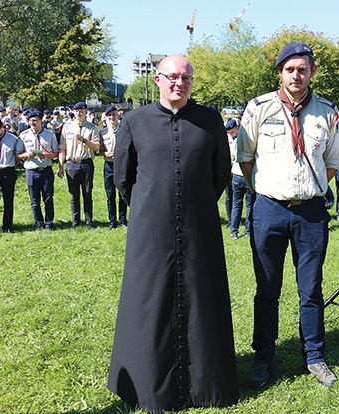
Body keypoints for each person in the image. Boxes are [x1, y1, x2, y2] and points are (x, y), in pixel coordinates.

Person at [108, 55, 238, 412]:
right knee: (149, 300)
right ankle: (150, 385)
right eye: (171, 77)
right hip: (151, 229)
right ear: (157, 80)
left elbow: (220, 175)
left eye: (186, 78)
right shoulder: (134, 121)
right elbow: (123, 178)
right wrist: (151, 205)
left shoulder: (209, 120)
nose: (178, 83)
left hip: (199, 226)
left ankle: (206, 385)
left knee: (202, 298)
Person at [237, 41, 339, 389]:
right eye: (290, 69)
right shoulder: (259, 108)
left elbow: (331, 162)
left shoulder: (328, 112)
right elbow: (245, 156)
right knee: (266, 289)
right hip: (269, 208)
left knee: (310, 289)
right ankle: (263, 358)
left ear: (312, 72)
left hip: (310, 213)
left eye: (303, 69)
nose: (296, 75)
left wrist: (304, 194)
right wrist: (266, 190)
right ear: (280, 72)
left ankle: (315, 357)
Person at [57, 101, 100, 229]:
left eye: (81, 111)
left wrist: (84, 140)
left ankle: (89, 221)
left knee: (87, 193)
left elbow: (97, 147)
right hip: (72, 164)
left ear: (86, 112)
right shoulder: (67, 127)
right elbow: (62, 148)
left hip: (86, 163)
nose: (78, 113)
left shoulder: (92, 128)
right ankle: (75, 222)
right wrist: (60, 166)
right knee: (73, 194)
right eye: (76, 111)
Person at [18, 111, 60, 230]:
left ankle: (49, 222)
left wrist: (46, 155)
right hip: (31, 170)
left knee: (48, 197)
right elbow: (18, 155)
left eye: (35, 120)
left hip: (46, 170)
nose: (33, 122)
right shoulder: (23, 135)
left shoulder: (49, 134)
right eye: (30, 120)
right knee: (34, 199)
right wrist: (27, 154)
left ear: (41, 120)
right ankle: (39, 223)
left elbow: (56, 153)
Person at [99, 105, 128, 229]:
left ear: (118, 116)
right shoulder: (103, 132)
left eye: (114, 115)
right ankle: (112, 221)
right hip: (109, 165)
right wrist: (105, 153)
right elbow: (100, 149)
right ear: (106, 117)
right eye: (109, 115)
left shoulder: (125, 130)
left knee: (122, 194)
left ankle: (122, 219)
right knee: (110, 195)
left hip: (122, 165)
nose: (112, 117)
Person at [227, 119, 254, 239]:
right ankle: (248, 231)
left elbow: (232, 156)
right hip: (246, 175)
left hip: (237, 175)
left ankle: (234, 231)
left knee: (237, 204)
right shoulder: (249, 138)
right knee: (249, 205)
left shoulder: (235, 141)